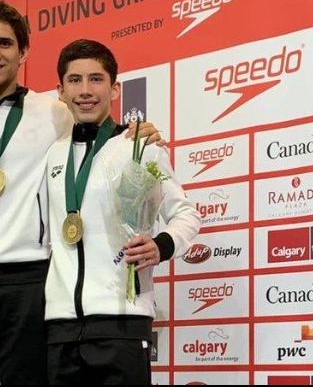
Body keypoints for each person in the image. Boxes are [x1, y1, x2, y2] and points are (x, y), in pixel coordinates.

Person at [0, 0, 163, 384]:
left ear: (23, 52)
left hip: (27, 281)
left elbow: (94, 135)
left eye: (5, 43)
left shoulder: (53, 111)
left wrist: (134, 134)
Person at [44, 39, 200, 384]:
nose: (85, 90)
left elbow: (186, 214)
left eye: (96, 79)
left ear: (114, 89)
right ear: (61, 91)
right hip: (60, 326)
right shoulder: (53, 154)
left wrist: (161, 245)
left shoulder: (140, 147)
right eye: (75, 80)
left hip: (122, 320)